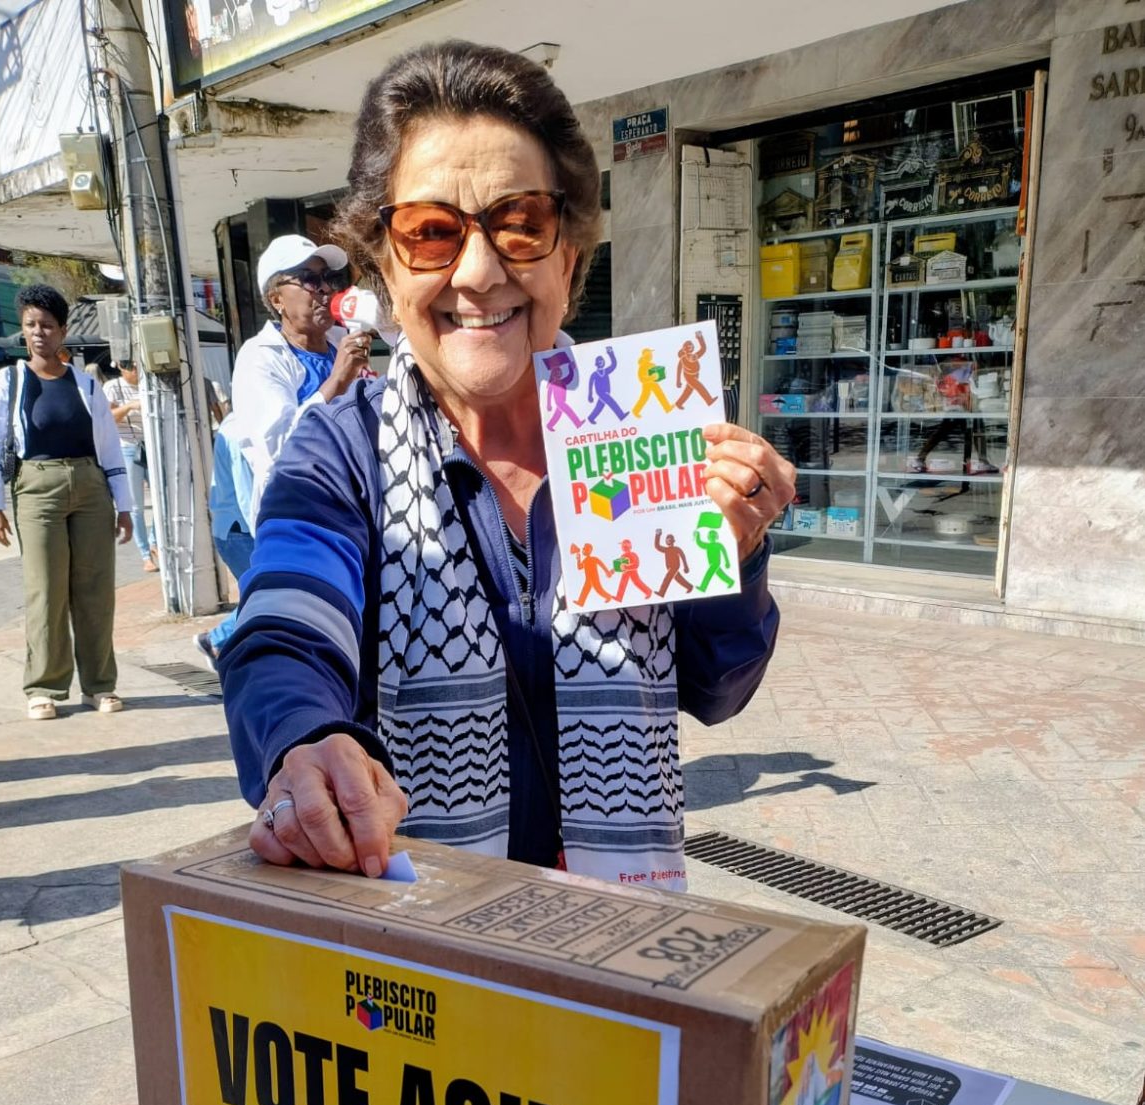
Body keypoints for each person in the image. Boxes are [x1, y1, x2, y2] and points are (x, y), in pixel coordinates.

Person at [219, 40, 792, 889]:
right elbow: (285, 630)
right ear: (382, 261)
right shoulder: (340, 452)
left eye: (521, 223)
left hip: (619, 939)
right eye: (431, 232)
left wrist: (736, 553)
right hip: (427, 960)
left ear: (569, 255)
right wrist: (307, 742)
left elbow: (717, 688)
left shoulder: (641, 429)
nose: (480, 272)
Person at [193, 233, 374, 667]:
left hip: (342, 510)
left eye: (326, 279)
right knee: (296, 615)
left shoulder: (338, 348)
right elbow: (278, 445)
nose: (323, 290)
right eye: (308, 280)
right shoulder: (259, 357)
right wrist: (337, 382)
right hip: (284, 514)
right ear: (276, 298)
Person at [0, 284, 133, 719]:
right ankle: (44, 687)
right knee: (45, 589)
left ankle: (100, 684)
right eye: (30, 325)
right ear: (23, 332)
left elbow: (110, 449)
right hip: (36, 486)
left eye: (47, 325)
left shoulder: (85, 384)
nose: (38, 333)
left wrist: (124, 507)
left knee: (95, 592)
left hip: (89, 485)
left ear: (63, 331)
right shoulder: (7, 382)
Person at [104, 360, 158, 571]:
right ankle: (145, 553)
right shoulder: (112, 387)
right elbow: (107, 418)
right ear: (119, 367)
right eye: (128, 367)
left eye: (137, 366)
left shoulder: (150, 383)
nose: (134, 371)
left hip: (152, 446)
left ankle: (155, 542)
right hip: (128, 446)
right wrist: (128, 407)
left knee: (159, 500)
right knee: (134, 504)